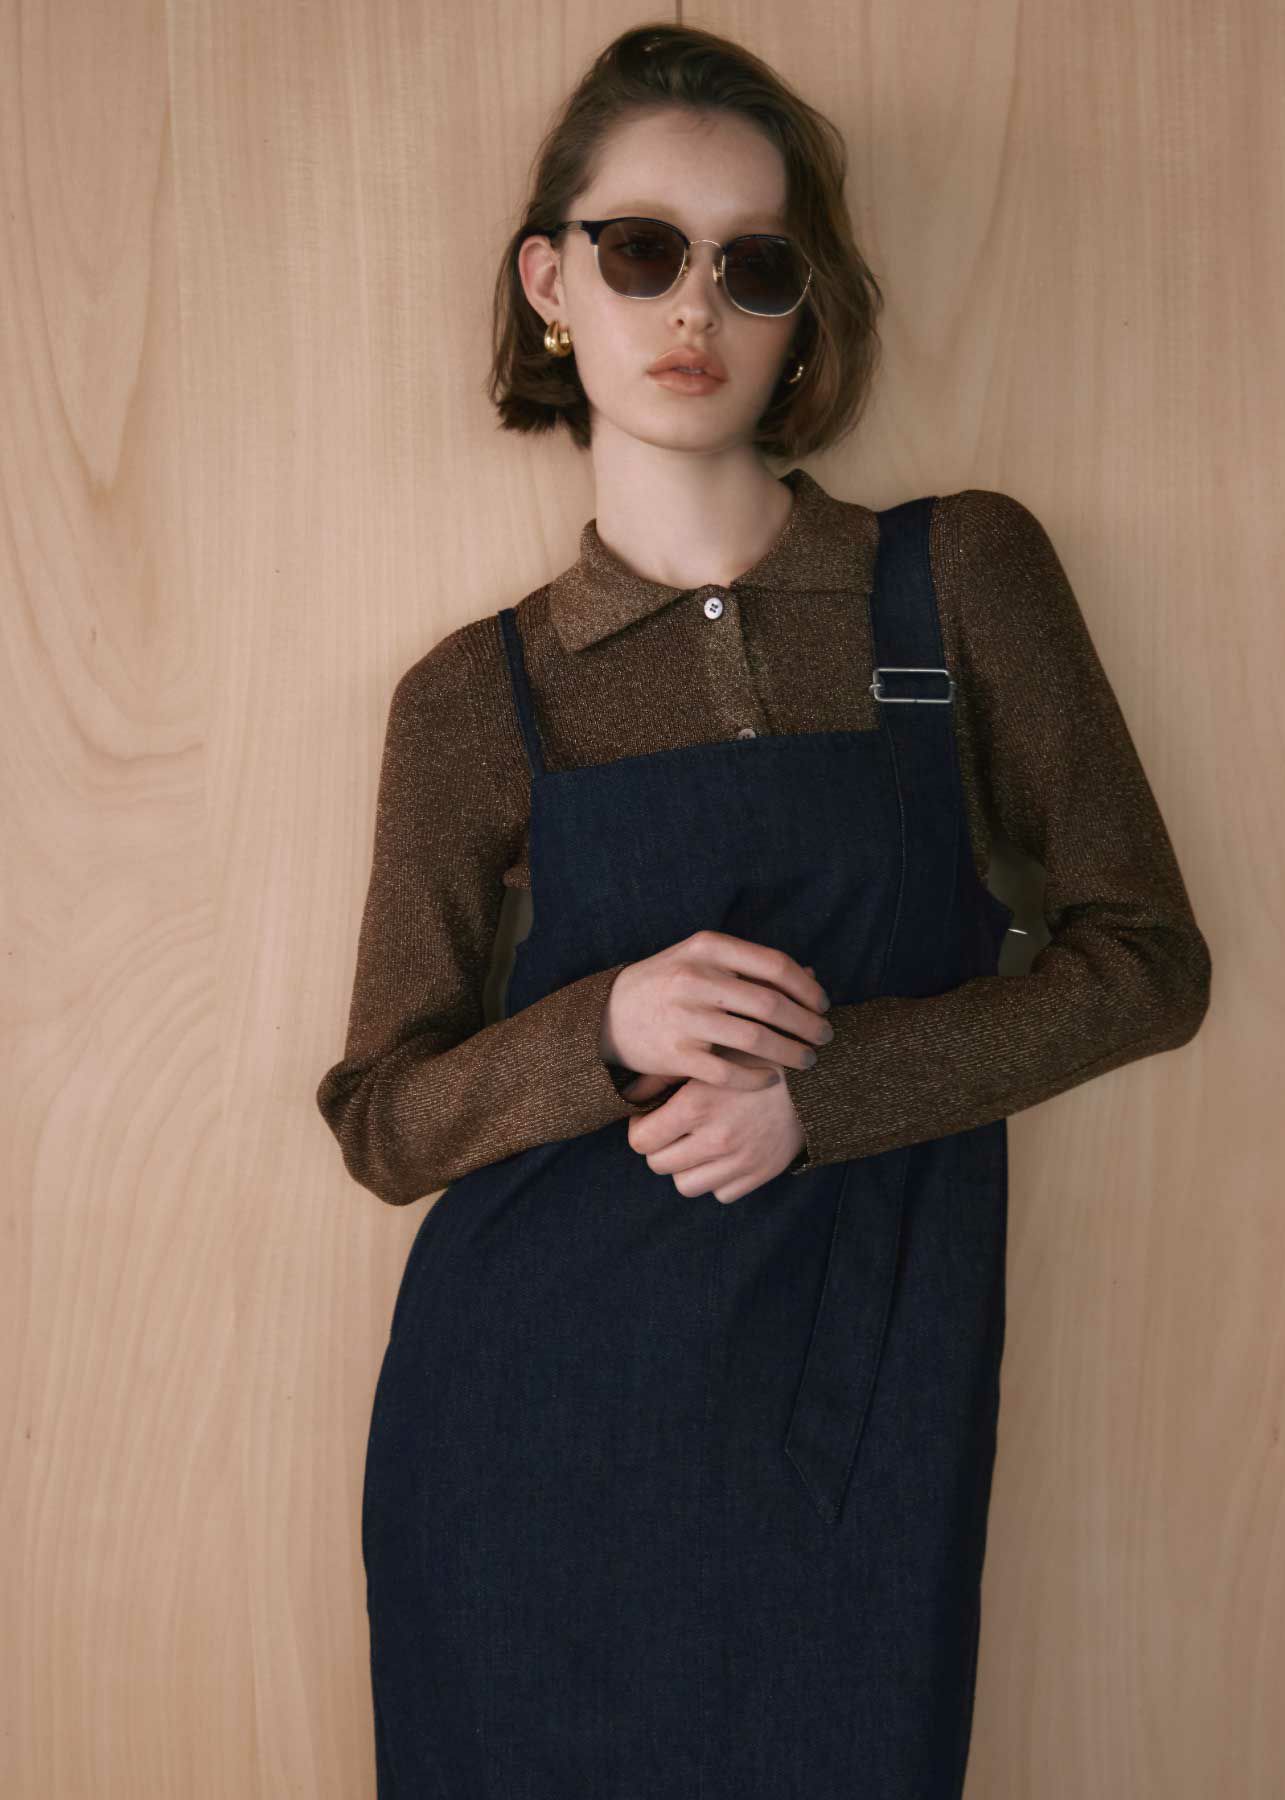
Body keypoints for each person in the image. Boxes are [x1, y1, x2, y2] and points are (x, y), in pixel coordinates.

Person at [315, 21, 1211, 1798]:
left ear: (806, 310)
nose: (693, 307)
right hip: (527, 1431)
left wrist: (830, 1093)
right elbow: (382, 1121)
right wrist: (603, 1027)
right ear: (551, 283)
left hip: (855, 1397)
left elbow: (1148, 964)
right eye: (642, 250)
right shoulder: (480, 694)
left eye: (754, 264)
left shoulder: (953, 577)